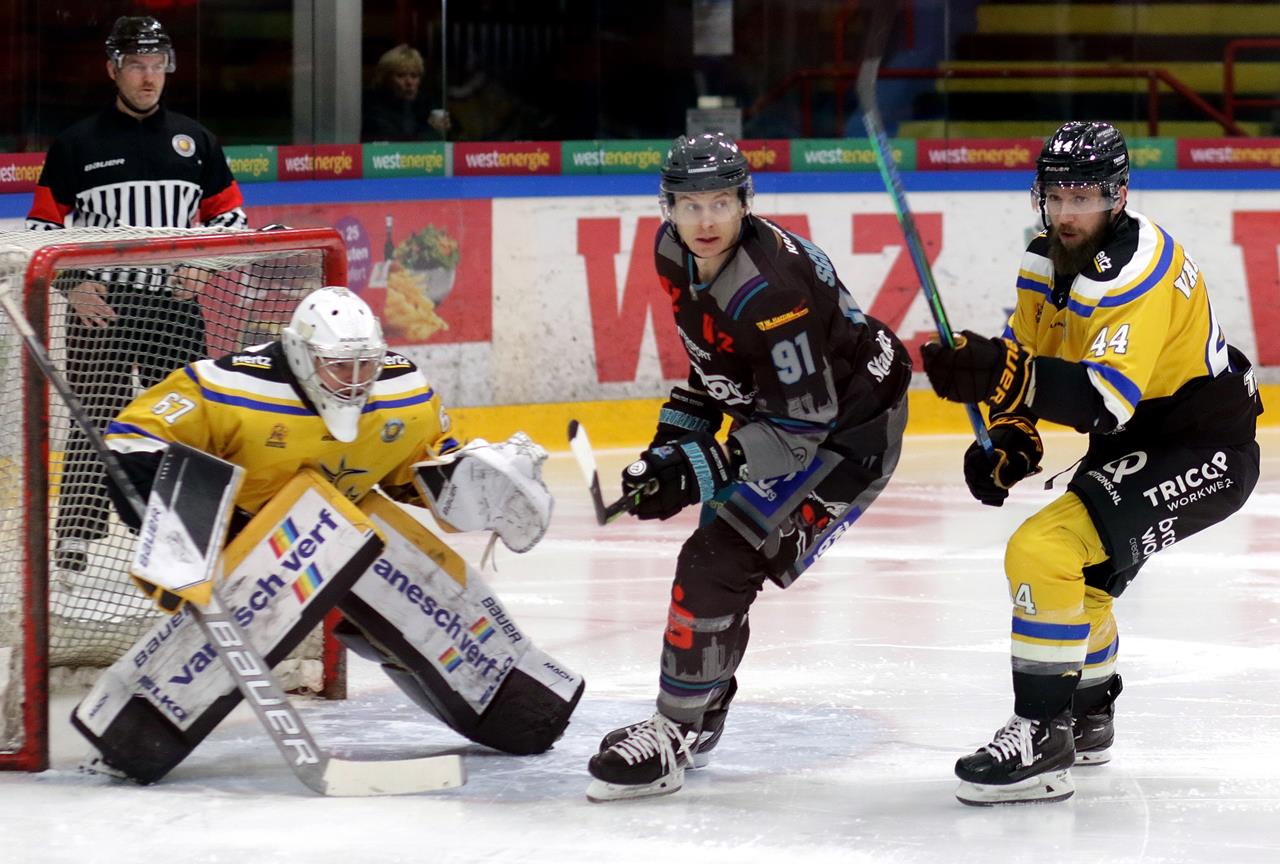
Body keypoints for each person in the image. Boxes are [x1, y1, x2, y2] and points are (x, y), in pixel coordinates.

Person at [82, 285, 579, 783]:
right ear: (301, 355)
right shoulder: (229, 388)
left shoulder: (403, 393)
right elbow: (131, 438)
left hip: (349, 528)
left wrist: (484, 483)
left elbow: (418, 474)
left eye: (367, 365)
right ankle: (133, 725)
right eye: (340, 366)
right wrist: (177, 524)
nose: (356, 381)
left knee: (515, 702)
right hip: (252, 540)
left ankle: (516, 699)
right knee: (318, 531)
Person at [920, 121, 1262, 805]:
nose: (1069, 212)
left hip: (1203, 446)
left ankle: (1042, 734)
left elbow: (1103, 400)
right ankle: (1089, 713)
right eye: (1057, 195)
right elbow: (1030, 347)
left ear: (1119, 194)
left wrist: (998, 374)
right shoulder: (1042, 261)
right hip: (1139, 440)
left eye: (1085, 196)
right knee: (1083, 583)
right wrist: (1012, 434)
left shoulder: (1138, 267)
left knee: (1040, 549)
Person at [585, 132, 912, 802]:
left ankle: (676, 731)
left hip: (849, 433)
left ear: (745, 202)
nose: (706, 221)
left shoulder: (770, 288)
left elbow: (801, 429)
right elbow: (717, 366)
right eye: (690, 204)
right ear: (667, 208)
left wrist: (698, 466)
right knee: (720, 538)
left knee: (720, 554)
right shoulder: (672, 252)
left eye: (722, 203)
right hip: (795, 413)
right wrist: (672, 449)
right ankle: (699, 715)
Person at [26, 15, 248, 575]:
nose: (149, 78)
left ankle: (194, 531)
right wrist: (73, 286)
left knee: (193, 417)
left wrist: (207, 266)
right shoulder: (77, 144)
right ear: (113, 70)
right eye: (136, 67)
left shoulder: (196, 141)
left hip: (173, 305)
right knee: (91, 417)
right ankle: (75, 542)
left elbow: (233, 220)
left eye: (157, 66)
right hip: (102, 310)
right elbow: (42, 231)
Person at [362, 44, 450, 141]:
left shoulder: (425, 103)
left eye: (414, 76)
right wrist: (431, 130)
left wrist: (445, 128)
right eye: (401, 75)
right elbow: (395, 144)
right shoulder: (373, 106)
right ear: (386, 79)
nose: (409, 82)